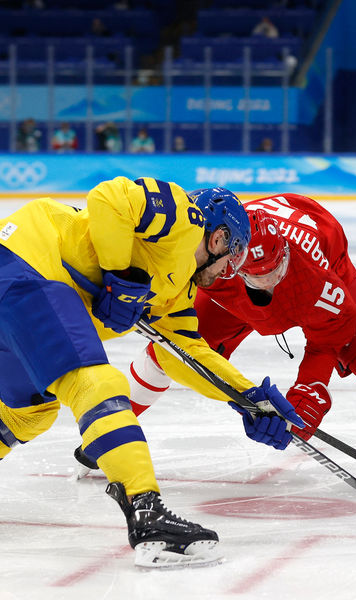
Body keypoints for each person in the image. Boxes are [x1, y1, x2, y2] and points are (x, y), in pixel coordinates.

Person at [102, 193, 356, 500]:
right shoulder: (214, 255)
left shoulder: (313, 275)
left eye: (272, 273)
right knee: (171, 350)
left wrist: (310, 390)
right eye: (255, 275)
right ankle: (112, 429)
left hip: (315, 279)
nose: (265, 284)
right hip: (235, 285)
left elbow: (329, 333)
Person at [0, 180, 304, 567]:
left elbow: (185, 353)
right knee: (96, 383)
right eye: (232, 258)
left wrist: (246, 397)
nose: (227, 271)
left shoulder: (178, 291)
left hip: (17, 290)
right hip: (25, 265)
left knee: (28, 412)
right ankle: (147, 513)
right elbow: (108, 199)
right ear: (218, 238)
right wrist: (120, 274)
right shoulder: (182, 218)